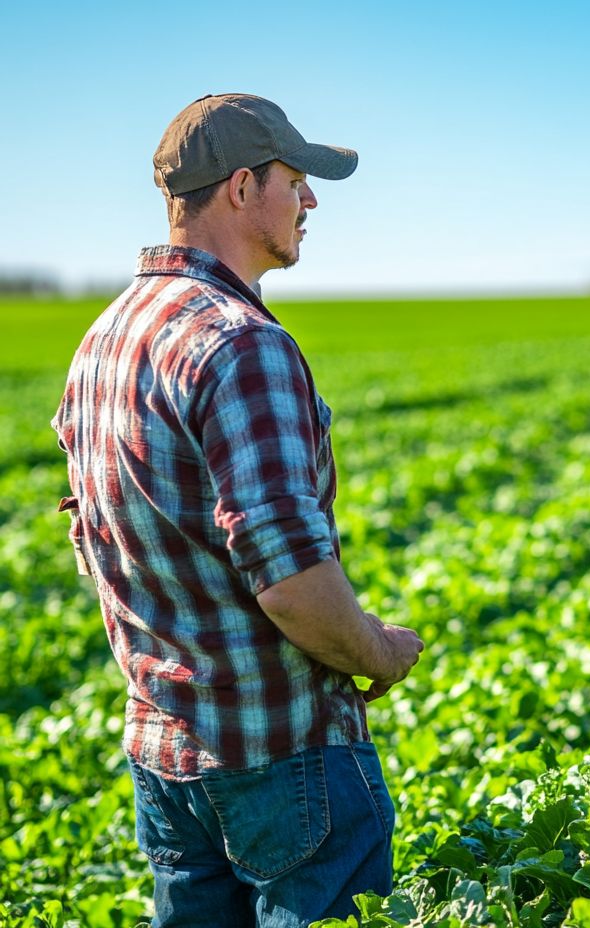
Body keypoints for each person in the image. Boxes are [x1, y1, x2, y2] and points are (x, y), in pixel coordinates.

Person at [51, 93, 425, 927]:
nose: (312, 201)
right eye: (297, 180)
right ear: (244, 187)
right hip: (283, 759)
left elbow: (98, 542)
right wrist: (376, 651)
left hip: (165, 760)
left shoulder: (104, 339)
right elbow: (289, 576)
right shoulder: (240, 343)